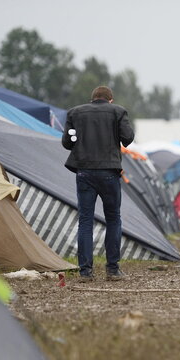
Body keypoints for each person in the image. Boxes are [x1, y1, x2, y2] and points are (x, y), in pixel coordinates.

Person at [62, 86, 134, 282]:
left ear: (92, 99)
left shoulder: (75, 113)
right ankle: (112, 269)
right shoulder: (118, 111)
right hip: (109, 172)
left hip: (84, 172)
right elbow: (128, 138)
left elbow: (67, 143)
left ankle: (85, 271)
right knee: (113, 219)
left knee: (85, 221)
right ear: (110, 100)